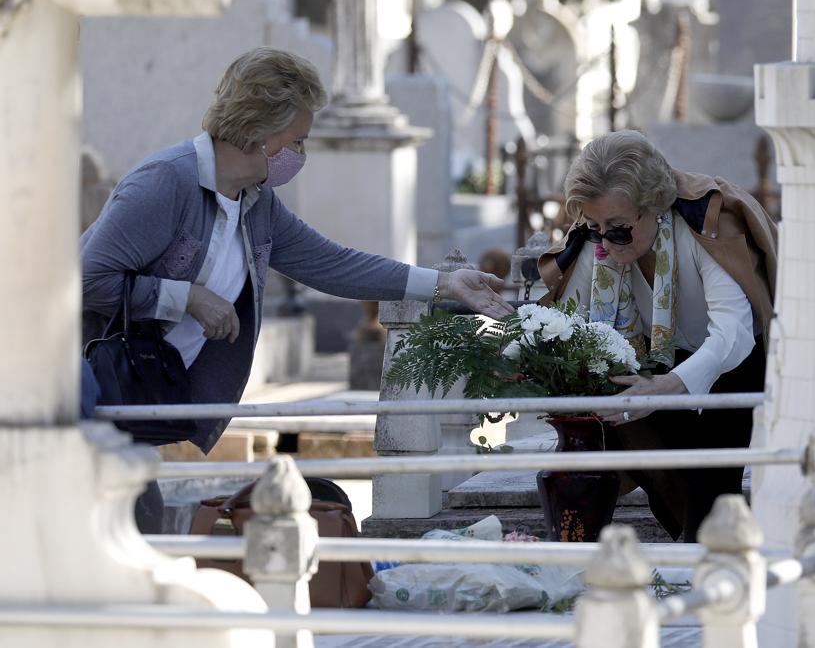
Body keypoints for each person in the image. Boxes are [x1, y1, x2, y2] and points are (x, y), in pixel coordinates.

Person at [80, 47, 513, 531]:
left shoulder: (255, 203)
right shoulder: (167, 182)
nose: (301, 155)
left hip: (132, 410)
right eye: (298, 141)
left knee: (137, 528)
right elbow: (86, 279)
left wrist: (445, 284)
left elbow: (332, 263)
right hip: (81, 397)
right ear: (261, 130)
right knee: (123, 530)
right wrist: (188, 298)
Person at [538, 130, 778, 542]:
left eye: (618, 228)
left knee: (711, 486)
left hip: (730, 366)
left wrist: (671, 386)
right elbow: (569, 325)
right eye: (594, 228)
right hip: (654, 365)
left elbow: (734, 333)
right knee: (654, 467)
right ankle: (685, 551)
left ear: (654, 205)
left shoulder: (703, 223)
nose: (605, 241)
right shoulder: (597, 242)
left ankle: (705, 555)